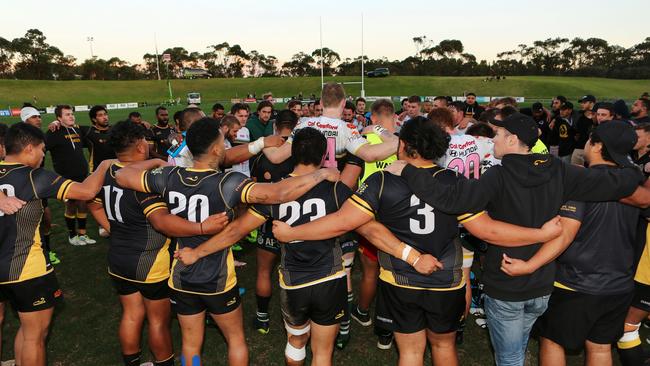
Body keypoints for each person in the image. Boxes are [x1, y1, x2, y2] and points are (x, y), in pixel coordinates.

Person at [270, 116, 563, 366]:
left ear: (404, 146)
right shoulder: (454, 181)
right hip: (446, 279)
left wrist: (294, 233)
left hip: (401, 279)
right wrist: (540, 234)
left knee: (410, 350)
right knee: (444, 346)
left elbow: (342, 222)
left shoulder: (382, 180)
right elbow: (487, 230)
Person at [385, 112, 647, 366]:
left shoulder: (498, 175)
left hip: (506, 280)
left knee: (510, 358)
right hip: (543, 281)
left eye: (498, 134)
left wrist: (409, 171)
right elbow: (615, 183)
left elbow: (452, 200)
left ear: (512, 140)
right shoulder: (559, 169)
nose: (493, 139)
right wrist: (633, 169)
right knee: (522, 347)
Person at [114, 117, 340, 366]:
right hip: (217, 278)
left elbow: (123, 175)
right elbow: (278, 194)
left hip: (182, 273)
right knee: (235, 340)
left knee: (190, 344)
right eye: (222, 142)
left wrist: (155, 163)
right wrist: (320, 174)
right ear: (216, 149)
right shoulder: (228, 183)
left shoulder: (169, 176)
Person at [175, 127, 361, 366]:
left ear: (292, 153)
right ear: (324, 156)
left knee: (296, 341)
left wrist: (196, 252)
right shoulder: (336, 189)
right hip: (329, 278)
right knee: (323, 352)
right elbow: (358, 222)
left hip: (294, 282)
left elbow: (235, 230)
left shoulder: (276, 192)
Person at [87, 120, 230, 366]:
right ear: (141, 146)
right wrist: (201, 227)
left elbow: (91, 201)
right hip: (149, 260)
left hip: (118, 257)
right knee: (157, 321)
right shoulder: (143, 180)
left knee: (131, 315)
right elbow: (162, 222)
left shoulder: (109, 171)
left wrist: (112, 227)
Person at [500, 121, 642, 366]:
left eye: (590, 139)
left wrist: (529, 265)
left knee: (553, 340)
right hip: (619, 284)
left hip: (577, 283)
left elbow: (565, 233)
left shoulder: (581, 181)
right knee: (599, 346)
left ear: (597, 145)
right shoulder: (632, 187)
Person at [0, 122, 115, 366]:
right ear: (29, 148)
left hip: (4, 266)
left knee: (25, 327)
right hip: (26, 268)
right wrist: (105, 164)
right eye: (42, 150)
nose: (44, 156)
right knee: (35, 336)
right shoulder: (35, 177)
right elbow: (86, 191)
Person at [262, 83, 398, 170]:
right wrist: (377, 129)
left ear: (321, 102)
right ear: (344, 103)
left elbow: (276, 157)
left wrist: (261, 142)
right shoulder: (348, 129)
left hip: (304, 188)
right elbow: (370, 154)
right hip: (333, 193)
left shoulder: (304, 124)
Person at [249, 112, 298, 335]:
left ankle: (262, 319)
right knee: (298, 271)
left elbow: (253, 187)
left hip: (267, 219)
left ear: (275, 126)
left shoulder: (263, 154)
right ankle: (298, 319)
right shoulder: (301, 151)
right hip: (297, 220)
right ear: (296, 125)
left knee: (263, 271)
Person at [45, 105, 96, 246]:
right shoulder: (53, 132)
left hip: (82, 175)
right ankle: (72, 236)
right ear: (59, 118)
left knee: (83, 203)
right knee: (71, 205)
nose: (71, 116)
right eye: (67, 114)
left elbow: (97, 131)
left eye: (72, 114)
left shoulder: (78, 129)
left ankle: (82, 234)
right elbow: (42, 148)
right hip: (65, 178)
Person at [570, 96, 596, 166]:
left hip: (593, 150)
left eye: (584, 103)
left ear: (592, 103)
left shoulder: (598, 116)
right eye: (581, 103)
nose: (582, 104)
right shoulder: (579, 114)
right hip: (579, 148)